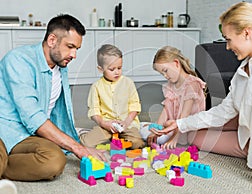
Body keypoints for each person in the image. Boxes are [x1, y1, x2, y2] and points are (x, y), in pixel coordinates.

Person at [152, 2, 252, 194]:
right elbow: (224, 110)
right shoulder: (245, 66)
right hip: (245, 119)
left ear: (247, 33)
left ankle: (246, 149)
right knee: (192, 129)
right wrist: (180, 123)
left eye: (229, 39)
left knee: (195, 138)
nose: (228, 47)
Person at [0, 14, 106, 182]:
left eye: (77, 49)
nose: (74, 55)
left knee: (54, 160)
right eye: (70, 46)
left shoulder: (60, 67)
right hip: (5, 131)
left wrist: (76, 144)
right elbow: (32, 115)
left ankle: (5, 165)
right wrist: (78, 148)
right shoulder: (18, 60)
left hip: (29, 135)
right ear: (51, 40)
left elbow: (56, 114)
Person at [79, 44, 145, 149]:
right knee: (86, 143)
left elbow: (135, 105)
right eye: (112, 69)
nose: (117, 72)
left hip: (126, 124)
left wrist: (126, 122)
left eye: (119, 68)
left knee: (138, 143)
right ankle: (84, 133)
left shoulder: (128, 83)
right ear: (101, 69)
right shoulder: (96, 87)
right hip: (106, 125)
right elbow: (94, 110)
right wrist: (103, 123)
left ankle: (117, 139)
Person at [140, 46, 206, 149]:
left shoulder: (192, 84)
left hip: (186, 129)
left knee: (154, 136)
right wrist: (157, 129)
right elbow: (166, 109)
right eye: (162, 73)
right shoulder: (171, 85)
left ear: (176, 63)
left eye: (165, 71)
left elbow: (184, 116)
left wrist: (175, 139)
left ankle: (172, 136)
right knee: (142, 127)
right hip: (172, 126)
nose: (165, 76)